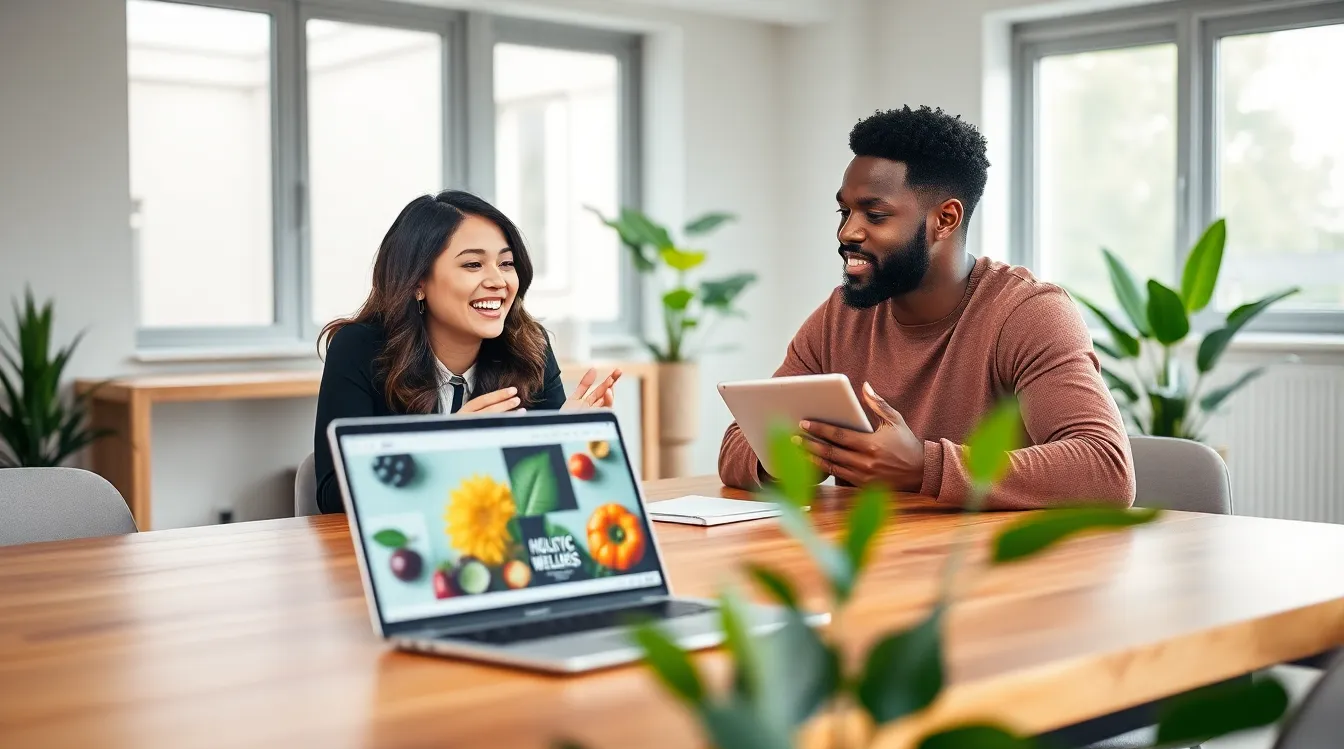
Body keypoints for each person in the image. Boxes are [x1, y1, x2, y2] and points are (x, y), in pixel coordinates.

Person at [718, 106, 1135, 510]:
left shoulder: (1027, 313)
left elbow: (1106, 469)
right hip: (874, 562)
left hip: (996, 568)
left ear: (946, 219)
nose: (848, 232)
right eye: (844, 211)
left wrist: (924, 468)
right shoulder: (840, 316)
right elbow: (738, 442)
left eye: (875, 215)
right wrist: (789, 461)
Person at [313, 190, 620, 514]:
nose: (498, 280)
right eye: (473, 264)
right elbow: (333, 497)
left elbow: (541, 500)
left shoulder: (529, 346)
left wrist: (566, 441)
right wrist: (449, 448)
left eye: (506, 263)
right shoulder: (360, 348)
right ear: (417, 282)